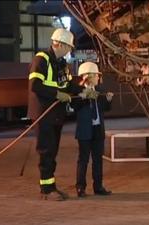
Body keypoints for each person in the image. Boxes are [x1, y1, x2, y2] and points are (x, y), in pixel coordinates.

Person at [27, 28, 75, 201]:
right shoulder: (42, 59)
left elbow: (68, 86)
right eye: (68, 47)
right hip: (43, 113)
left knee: (52, 151)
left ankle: (51, 186)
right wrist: (57, 94)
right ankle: (46, 190)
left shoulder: (61, 63)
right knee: (46, 151)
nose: (70, 50)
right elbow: (35, 85)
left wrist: (86, 91)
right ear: (60, 44)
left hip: (55, 114)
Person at [72, 61, 114, 197]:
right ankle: (80, 187)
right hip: (85, 131)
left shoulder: (99, 91)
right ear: (88, 76)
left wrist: (108, 100)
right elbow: (75, 106)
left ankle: (98, 186)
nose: (98, 78)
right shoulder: (77, 91)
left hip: (97, 129)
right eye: (96, 75)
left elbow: (105, 109)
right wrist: (85, 95)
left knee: (98, 159)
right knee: (83, 159)